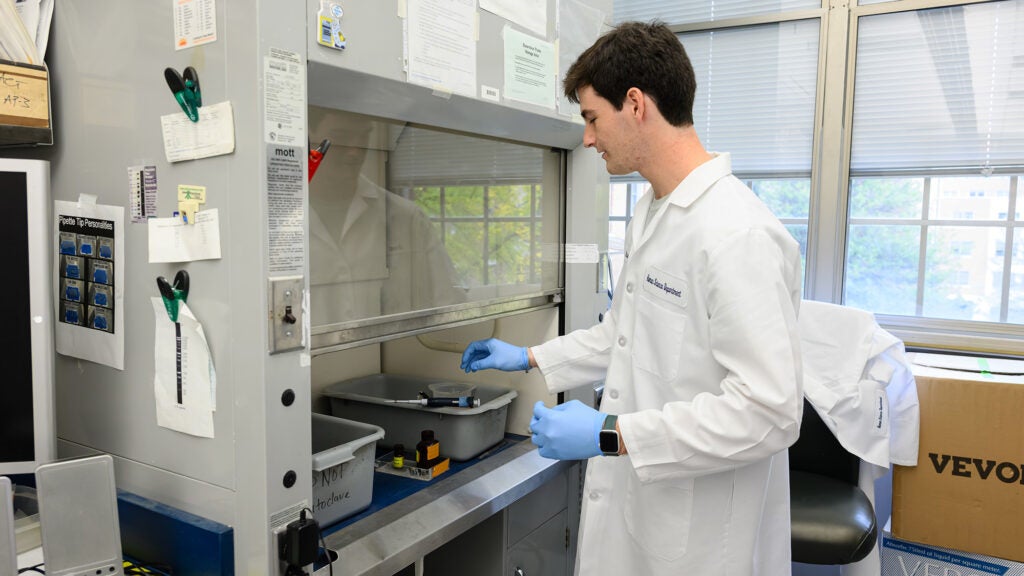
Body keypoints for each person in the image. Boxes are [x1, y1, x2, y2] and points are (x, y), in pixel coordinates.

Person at [460, 22, 803, 576]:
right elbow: (624, 332)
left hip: (701, 536)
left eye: (593, 118)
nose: (589, 139)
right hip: (643, 506)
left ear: (636, 104)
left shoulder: (737, 234)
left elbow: (769, 413)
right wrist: (527, 357)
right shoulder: (653, 209)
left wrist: (609, 433)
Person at [308, 108, 465, 325]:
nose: (354, 151)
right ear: (309, 135)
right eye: (341, 137)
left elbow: (449, 303)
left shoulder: (406, 218)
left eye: (363, 137)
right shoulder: (274, 220)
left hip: (390, 356)